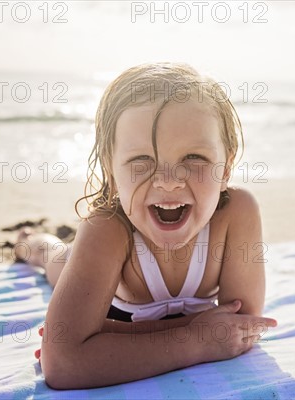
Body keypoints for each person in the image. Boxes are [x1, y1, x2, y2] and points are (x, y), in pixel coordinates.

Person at [14, 63, 278, 389]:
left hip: (120, 313)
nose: (168, 182)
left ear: (226, 167)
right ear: (111, 171)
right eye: (142, 160)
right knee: (52, 256)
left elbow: (242, 328)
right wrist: (196, 338)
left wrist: (109, 335)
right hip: (102, 279)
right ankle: (32, 241)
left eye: (194, 157)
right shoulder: (107, 229)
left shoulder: (237, 213)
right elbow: (62, 364)